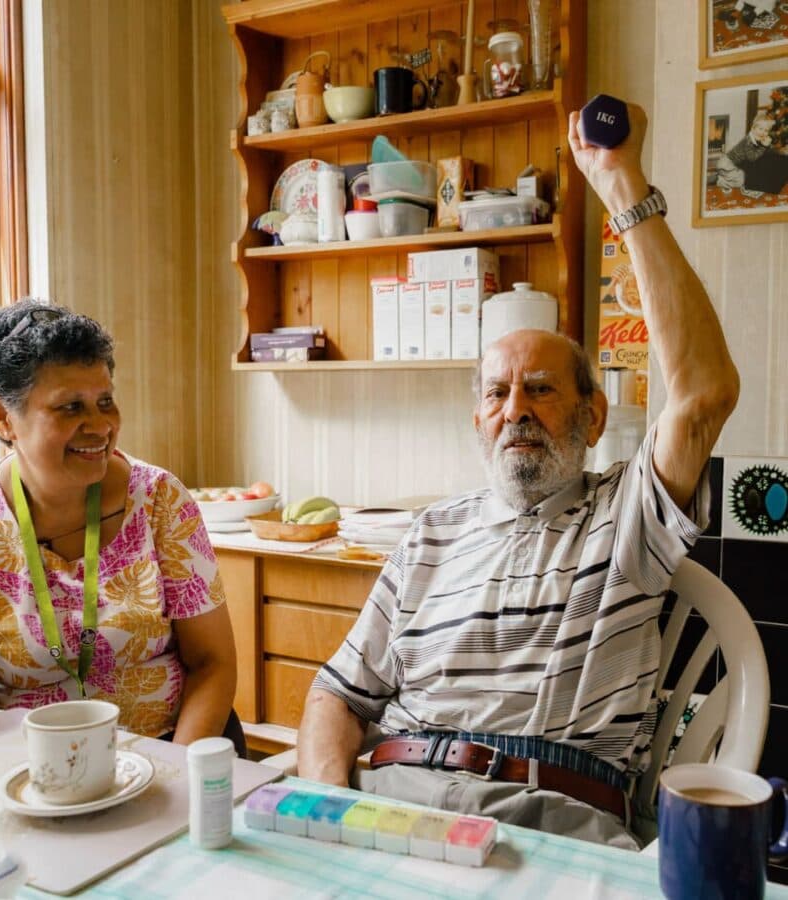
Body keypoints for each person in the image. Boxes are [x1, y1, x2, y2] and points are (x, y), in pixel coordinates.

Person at [296, 103, 740, 849]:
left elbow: (703, 395)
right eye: (497, 393)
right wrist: (326, 810)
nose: (516, 410)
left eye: (541, 388)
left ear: (593, 420)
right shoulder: (430, 535)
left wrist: (621, 182)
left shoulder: (626, 516)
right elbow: (335, 697)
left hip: (545, 820)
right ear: (477, 420)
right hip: (393, 800)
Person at [0, 300, 237, 745]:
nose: (100, 425)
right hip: (26, 772)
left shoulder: (160, 500)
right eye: (70, 407)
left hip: (168, 751)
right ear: (4, 416)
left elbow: (213, 663)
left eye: (105, 401)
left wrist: (180, 776)